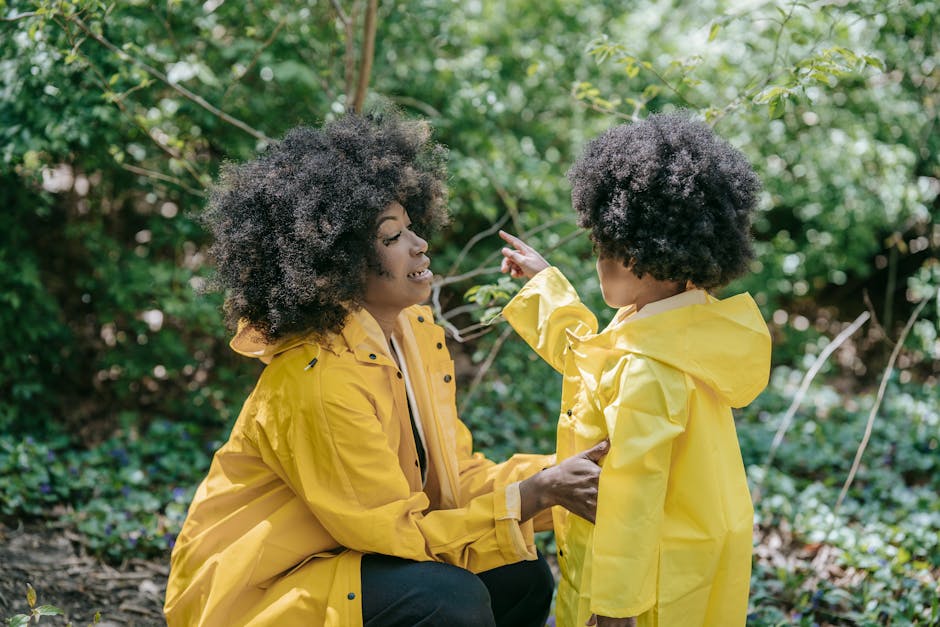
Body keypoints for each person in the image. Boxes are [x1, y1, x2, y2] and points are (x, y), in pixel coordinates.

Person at [163, 111, 609, 627]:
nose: (419, 244)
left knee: (521, 576)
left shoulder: (411, 331)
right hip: (255, 597)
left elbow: (454, 481)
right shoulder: (318, 379)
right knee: (449, 604)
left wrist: (565, 474)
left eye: (411, 226)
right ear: (338, 263)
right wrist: (535, 495)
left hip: (344, 563)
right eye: (392, 236)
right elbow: (400, 535)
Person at [497, 112, 772, 627]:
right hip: (691, 551)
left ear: (651, 255)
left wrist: (616, 609)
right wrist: (544, 285)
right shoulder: (682, 330)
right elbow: (592, 360)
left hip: (647, 583)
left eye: (609, 246)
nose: (598, 257)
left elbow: (633, 497)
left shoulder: (649, 367)